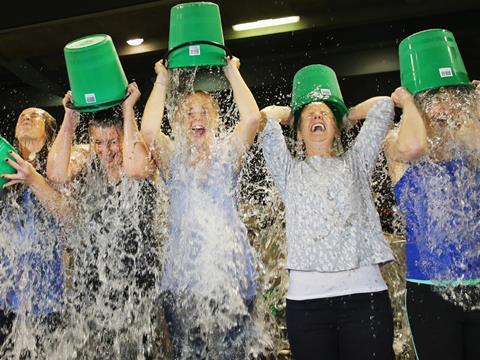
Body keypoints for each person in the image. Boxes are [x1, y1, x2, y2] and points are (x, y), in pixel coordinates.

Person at [124, 56, 260, 358]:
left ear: (216, 120)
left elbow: (251, 119)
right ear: (178, 122)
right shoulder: (174, 160)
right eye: (188, 112)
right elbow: (147, 132)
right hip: (182, 284)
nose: (196, 117)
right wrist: (161, 78)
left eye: (204, 112)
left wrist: (231, 71)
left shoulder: (228, 155)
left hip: (233, 283)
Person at [259, 64, 396, 360]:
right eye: (309, 114)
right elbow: (265, 118)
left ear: (337, 128)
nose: (317, 116)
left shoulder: (356, 162)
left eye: (324, 113)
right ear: (298, 132)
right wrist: (294, 112)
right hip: (307, 305)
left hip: (365, 298)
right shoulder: (288, 172)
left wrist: (347, 113)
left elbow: (384, 106)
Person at [46, 83, 161, 359]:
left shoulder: (141, 155)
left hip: (139, 280)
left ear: (124, 138)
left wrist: (128, 109)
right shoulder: (87, 162)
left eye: (112, 141)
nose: (106, 150)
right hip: (94, 280)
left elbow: (134, 169)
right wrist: (70, 118)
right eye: (98, 142)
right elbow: (56, 174)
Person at [384, 82, 480, 359]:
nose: (445, 105)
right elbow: (414, 146)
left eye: (452, 98)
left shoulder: (469, 150)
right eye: (436, 98)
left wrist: (473, 110)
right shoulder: (395, 140)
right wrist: (410, 103)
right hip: (429, 292)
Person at [0, 107, 66, 356]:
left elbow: (67, 213)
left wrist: (33, 179)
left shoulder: (58, 169)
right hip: (6, 295)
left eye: (35, 115)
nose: (25, 117)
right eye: (22, 116)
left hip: (45, 298)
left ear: (49, 135)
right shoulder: (2, 168)